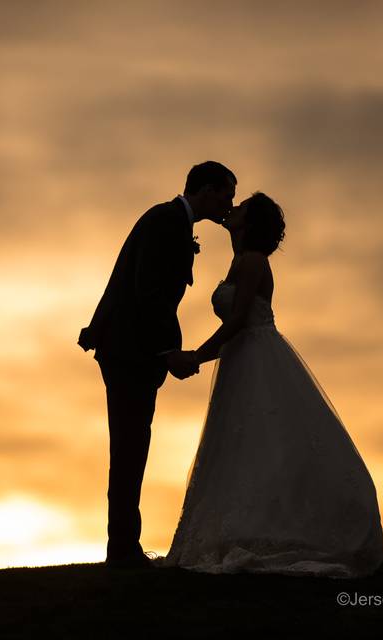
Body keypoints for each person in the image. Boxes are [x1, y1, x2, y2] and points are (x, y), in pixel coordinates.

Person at [160, 192, 383, 577]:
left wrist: (195, 355)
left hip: (257, 358)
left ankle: (274, 531)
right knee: (242, 447)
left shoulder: (251, 262)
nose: (233, 210)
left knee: (261, 443)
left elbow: (238, 323)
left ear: (249, 223)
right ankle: (244, 528)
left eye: (241, 208)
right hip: (242, 359)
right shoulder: (240, 261)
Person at [78, 161, 237, 569]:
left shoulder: (170, 222)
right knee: (130, 446)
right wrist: (168, 351)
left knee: (133, 445)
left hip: (132, 349)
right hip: (129, 350)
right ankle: (123, 549)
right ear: (204, 190)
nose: (229, 204)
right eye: (226, 194)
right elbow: (147, 290)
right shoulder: (165, 220)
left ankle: (124, 546)